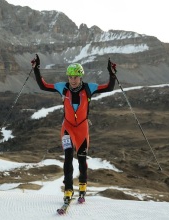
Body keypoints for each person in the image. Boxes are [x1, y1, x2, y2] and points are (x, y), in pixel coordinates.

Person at [31, 54, 117, 203]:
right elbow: (43, 85)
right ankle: (68, 190)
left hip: (82, 129)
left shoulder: (89, 88)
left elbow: (109, 87)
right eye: (70, 77)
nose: (73, 80)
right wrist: (36, 69)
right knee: (68, 159)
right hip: (67, 128)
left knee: (82, 160)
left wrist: (112, 73)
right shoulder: (62, 87)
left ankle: (82, 188)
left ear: (81, 76)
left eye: (75, 77)